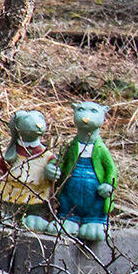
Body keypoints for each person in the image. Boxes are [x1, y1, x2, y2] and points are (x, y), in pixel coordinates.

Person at [53, 101, 116, 239]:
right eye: (80, 110)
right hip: (71, 183)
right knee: (68, 196)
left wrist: (109, 184)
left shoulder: (101, 149)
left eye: (94, 111)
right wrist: (54, 169)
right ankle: (68, 218)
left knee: (95, 201)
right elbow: (61, 160)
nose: (85, 115)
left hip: (94, 188)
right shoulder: (71, 146)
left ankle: (95, 221)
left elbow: (111, 169)